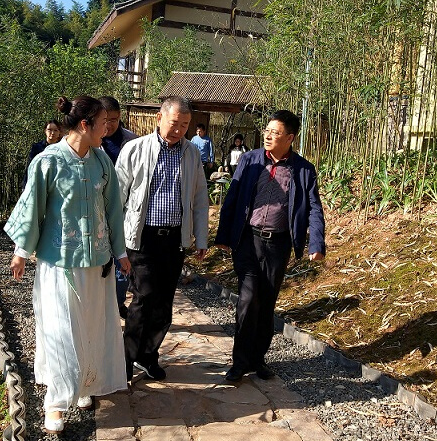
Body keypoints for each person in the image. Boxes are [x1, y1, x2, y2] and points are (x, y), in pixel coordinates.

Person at [5, 95, 130, 434]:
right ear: (85, 125)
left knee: (91, 326)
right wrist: (21, 251)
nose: (108, 129)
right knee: (61, 331)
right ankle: (56, 403)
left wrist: (120, 253)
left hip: (97, 262)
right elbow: (32, 207)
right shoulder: (48, 162)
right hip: (60, 263)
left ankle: (85, 383)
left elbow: (113, 211)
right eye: (103, 123)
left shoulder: (102, 162)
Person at [215, 110, 326, 382]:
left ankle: (258, 359)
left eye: (275, 133)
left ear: (290, 138)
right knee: (248, 298)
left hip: (278, 245)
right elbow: (233, 197)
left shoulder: (303, 170)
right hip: (248, 240)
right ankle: (240, 362)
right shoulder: (250, 160)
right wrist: (224, 236)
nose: (267, 136)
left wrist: (316, 242)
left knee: (266, 303)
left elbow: (314, 207)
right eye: (267, 130)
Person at [115, 96, 209, 381]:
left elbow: (199, 198)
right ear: (159, 118)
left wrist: (200, 238)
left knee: (164, 302)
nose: (178, 130)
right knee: (144, 297)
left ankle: (148, 355)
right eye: (174, 123)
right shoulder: (135, 148)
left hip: (174, 240)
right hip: (142, 237)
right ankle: (125, 360)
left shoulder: (192, 153)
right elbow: (117, 197)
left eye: (185, 125)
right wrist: (114, 241)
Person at [99, 96, 138, 319]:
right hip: (97, 209)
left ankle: (118, 302)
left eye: (113, 120)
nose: (109, 125)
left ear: (120, 117)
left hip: (125, 210)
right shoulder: (90, 141)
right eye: (105, 120)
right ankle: (101, 306)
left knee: (122, 257)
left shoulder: (132, 141)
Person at [22, 120, 62, 189]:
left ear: (59, 132)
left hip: (57, 186)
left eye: (55, 130)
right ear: (45, 131)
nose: (52, 133)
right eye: (49, 130)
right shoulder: (37, 147)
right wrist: (25, 185)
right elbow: (30, 167)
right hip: (39, 183)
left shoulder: (62, 149)